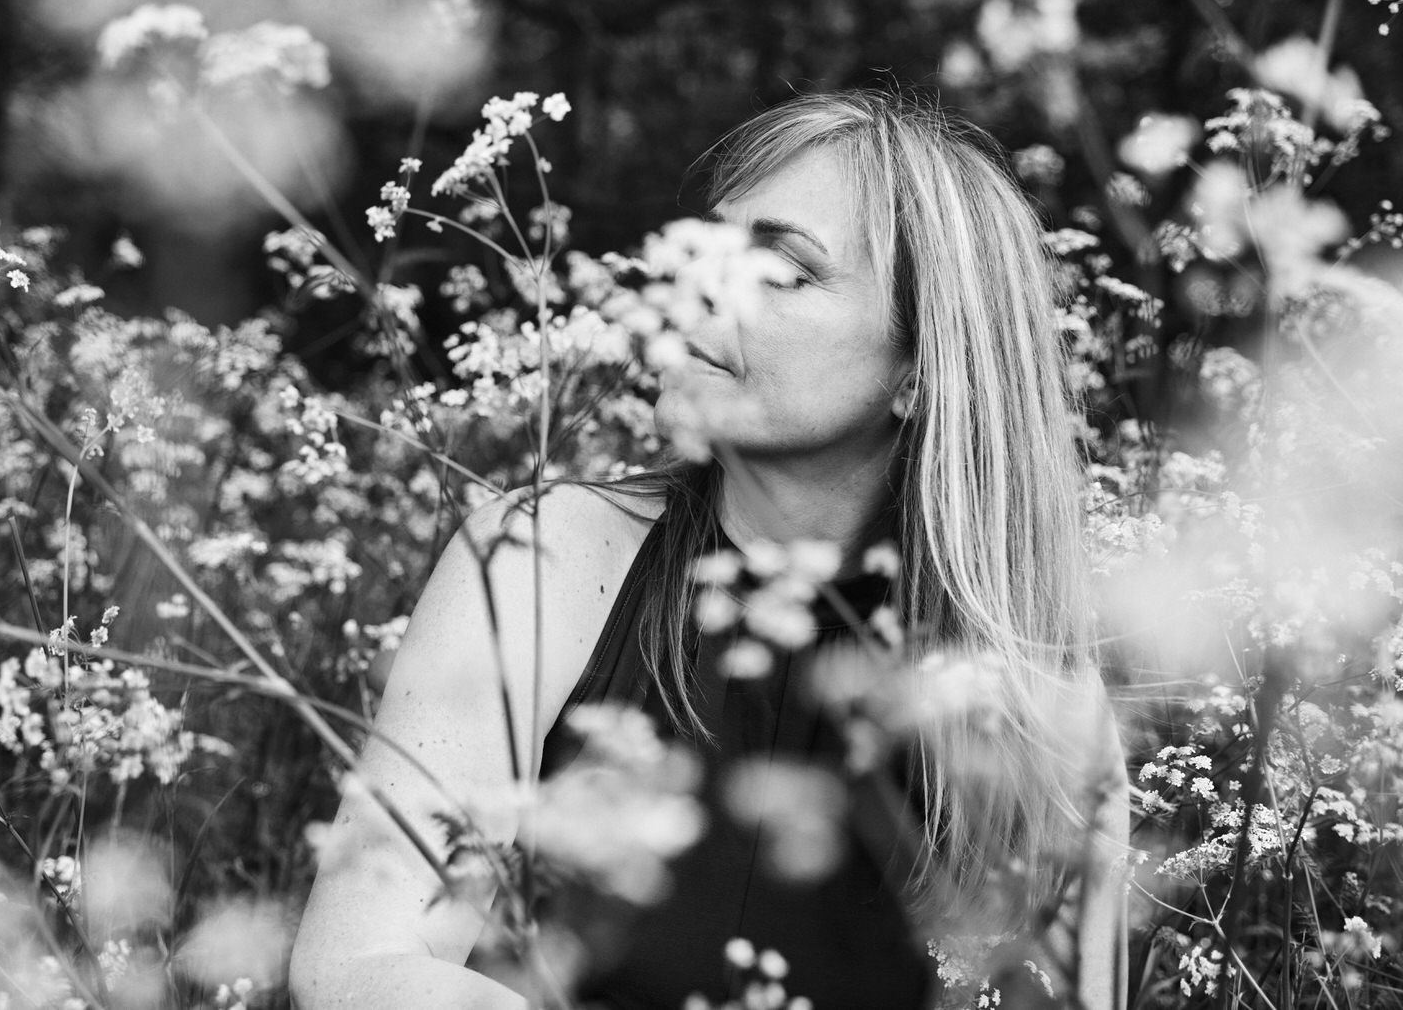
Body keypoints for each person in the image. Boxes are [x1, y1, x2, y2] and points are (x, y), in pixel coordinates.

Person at [289, 89, 1128, 1010]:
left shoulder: (1039, 701)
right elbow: (356, 964)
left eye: (783, 267)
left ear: (920, 371)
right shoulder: (543, 561)